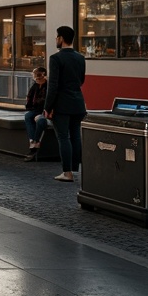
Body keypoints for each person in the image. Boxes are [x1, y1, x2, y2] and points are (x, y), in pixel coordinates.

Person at [45, 25, 87, 182]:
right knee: (76, 135)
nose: (56, 39)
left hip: (62, 104)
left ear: (61, 38)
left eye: (57, 37)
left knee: (63, 137)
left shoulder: (56, 58)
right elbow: (81, 80)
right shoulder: (80, 58)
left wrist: (47, 107)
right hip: (78, 103)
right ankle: (76, 170)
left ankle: (67, 172)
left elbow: (53, 86)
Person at [23, 66, 50, 162]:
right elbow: (29, 99)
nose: (35, 78)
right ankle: (33, 141)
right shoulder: (35, 86)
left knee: (41, 121)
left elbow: (48, 101)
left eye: (37, 76)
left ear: (43, 75)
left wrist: (44, 112)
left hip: (46, 111)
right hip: (36, 110)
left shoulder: (48, 86)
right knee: (28, 116)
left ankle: (35, 143)